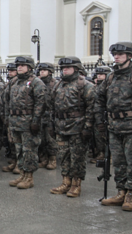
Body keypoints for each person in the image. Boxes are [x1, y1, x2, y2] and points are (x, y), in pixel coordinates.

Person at [49, 57, 95, 197]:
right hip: (61, 127)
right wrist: (52, 124)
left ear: (76, 68)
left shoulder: (85, 85)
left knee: (77, 158)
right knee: (63, 155)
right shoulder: (58, 85)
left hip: (77, 128)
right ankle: (65, 182)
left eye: (68, 68)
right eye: (63, 68)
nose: (64, 70)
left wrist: (87, 127)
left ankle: (76, 184)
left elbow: (92, 109)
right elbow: (52, 106)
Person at [95, 42, 132, 210]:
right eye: (115, 54)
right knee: (118, 162)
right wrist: (100, 120)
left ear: (129, 56)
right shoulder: (111, 77)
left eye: (120, 54)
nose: (116, 57)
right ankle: (121, 191)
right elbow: (99, 98)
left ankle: (131, 194)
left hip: (130, 127)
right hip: (114, 127)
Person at [4, 56, 47, 189]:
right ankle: (22, 174)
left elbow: (41, 103)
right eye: (18, 65)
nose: (19, 67)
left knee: (29, 151)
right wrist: (7, 119)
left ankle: (29, 177)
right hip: (15, 122)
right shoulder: (14, 82)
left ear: (30, 67)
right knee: (19, 150)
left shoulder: (36, 82)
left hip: (28, 123)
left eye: (22, 65)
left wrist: (35, 121)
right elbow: (7, 100)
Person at [37, 62, 59, 170]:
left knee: (50, 139)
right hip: (41, 114)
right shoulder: (38, 83)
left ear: (50, 72)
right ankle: (43, 158)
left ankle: (52, 159)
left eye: (44, 70)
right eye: (41, 70)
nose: (42, 72)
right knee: (40, 139)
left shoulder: (55, 84)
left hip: (50, 114)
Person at [91, 66, 111, 163]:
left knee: (109, 137)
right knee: (98, 136)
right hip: (96, 115)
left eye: (102, 74)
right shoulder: (93, 87)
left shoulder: (109, 86)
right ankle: (101, 153)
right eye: (98, 74)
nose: (99, 76)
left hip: (107, 115)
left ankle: (110, 155)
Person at [2, 63, 19, 173]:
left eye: (13, 71)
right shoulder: (10, 83)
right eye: (9, 71)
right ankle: (14, 161)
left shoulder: (30, 83)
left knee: (21, 145)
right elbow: (6, 101)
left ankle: (20, 165)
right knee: (12, 142)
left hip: (23, 119)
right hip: (11, 117)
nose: (10, 73)